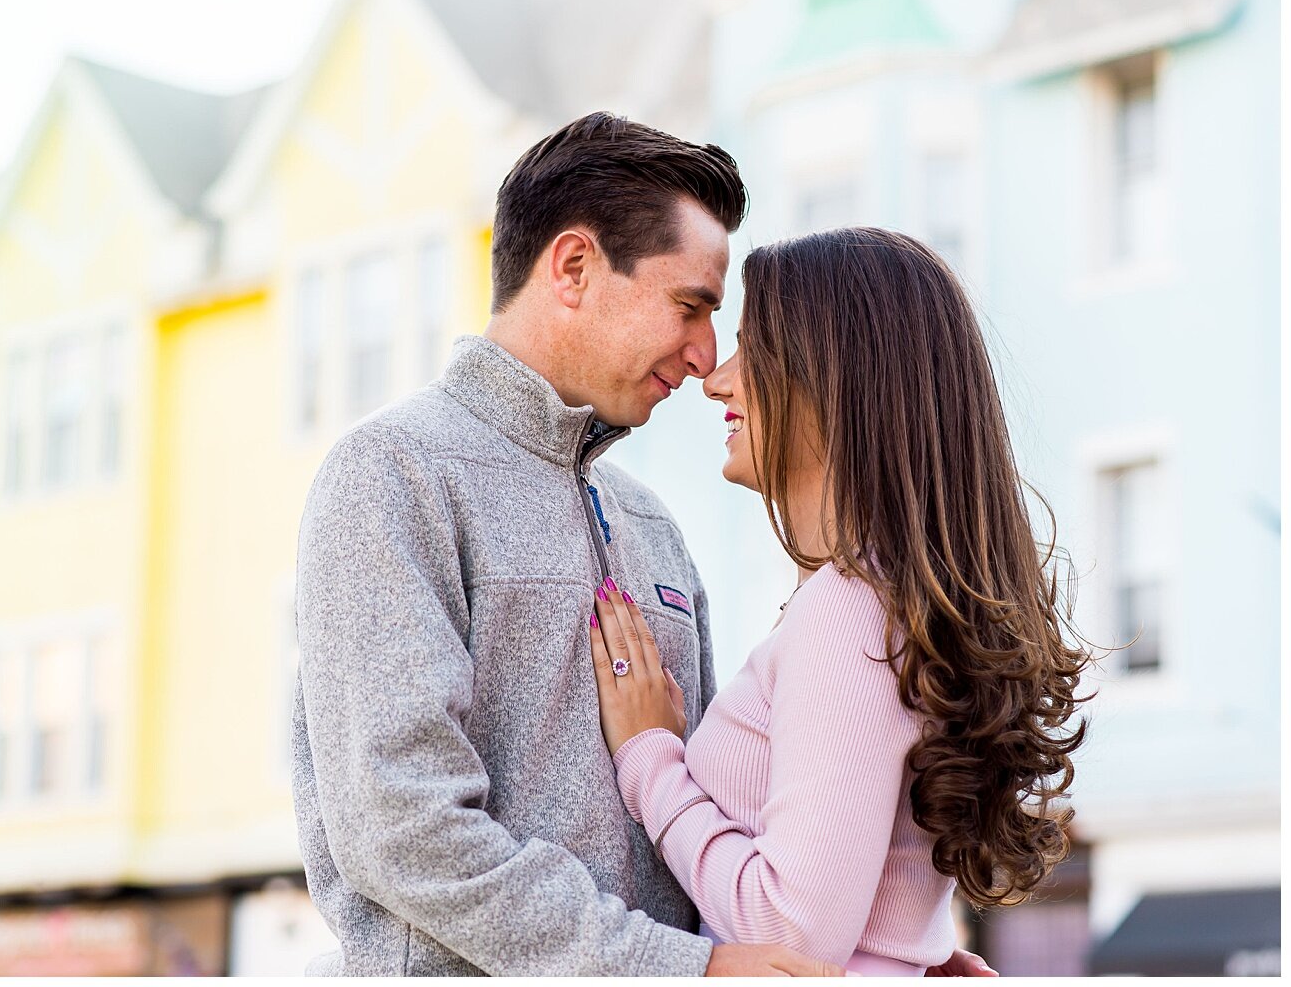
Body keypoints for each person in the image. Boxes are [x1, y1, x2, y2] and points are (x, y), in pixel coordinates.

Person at [293, 113, 994, 975]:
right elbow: (401, 828)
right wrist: (674, 969)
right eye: (690, 306)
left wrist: (892, 960)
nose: (706, 357)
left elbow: (739, 820)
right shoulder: (394, 475)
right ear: (576, 268)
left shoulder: (653, 528)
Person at [588, 227, 1090, 975]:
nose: (717, 378)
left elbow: (789, 935)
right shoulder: (887, 600)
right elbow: (868, 873)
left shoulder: (849, 607)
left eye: (752, 347)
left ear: (834, 381)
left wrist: (650, 761)